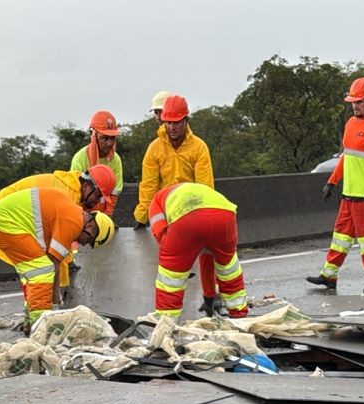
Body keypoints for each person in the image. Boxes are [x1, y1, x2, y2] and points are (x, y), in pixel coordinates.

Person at [306, 76, 364, 295]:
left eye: (359, 101)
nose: (355, 106)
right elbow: (347, 156)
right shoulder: (350, 124)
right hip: (348, 195)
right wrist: (332, 181)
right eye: (353, 102)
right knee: (340, 238)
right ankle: (328, 277)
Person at [0, 186, 115, 328]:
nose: (83, 244)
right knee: (42, 269)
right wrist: (56, 306)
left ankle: (31, 320)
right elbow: (54, 264)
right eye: (89, 241)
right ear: (91, 228)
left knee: (33, 272)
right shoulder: (74, 222)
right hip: (3, 221)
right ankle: (40, 324)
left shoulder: (72, 214)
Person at [134, 95, 217, 309]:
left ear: (186, 121)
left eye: (176, 122)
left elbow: (205, 185)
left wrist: (202, 214)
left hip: (191, 207)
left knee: (207, 249)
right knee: (168, 252)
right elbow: (149, 184)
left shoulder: (198, 147)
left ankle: (210, 297)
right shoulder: (154, 149)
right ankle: (167, 303)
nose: (171, 127)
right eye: (168, 122)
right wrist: (142, 215)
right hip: (165, 209)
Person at [146, 182, 247, 320]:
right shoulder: (197, 190)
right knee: (229, 270)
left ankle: (166, 326)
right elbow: (207, 259)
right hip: (225, 216)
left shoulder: (156, 201)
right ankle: (239, 315)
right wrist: (209, 298)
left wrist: (179, 262)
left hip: (188, 219)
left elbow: (160, 234)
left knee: (170, 279)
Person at [69, 110, 124, 215]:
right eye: (105, 138)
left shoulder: (116, 160)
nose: (109, 143)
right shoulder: (80, 158)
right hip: (82, 214)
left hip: (103, 214)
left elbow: (114, 193)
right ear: (92, 134)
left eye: (112, 138)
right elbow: (75, 193)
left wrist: (106, 216)